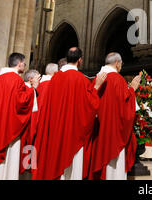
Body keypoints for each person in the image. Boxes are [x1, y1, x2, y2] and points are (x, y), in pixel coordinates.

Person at [32, 48, 106, 180]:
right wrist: (96, 86)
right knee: (72, 168)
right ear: (80, 60)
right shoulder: (82, 80)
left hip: (55, 130)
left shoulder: (55, 79)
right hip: (73, 132)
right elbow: (89, 106)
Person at [86, 53, 140, 180]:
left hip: (99, 130)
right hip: (115, 132)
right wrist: (132, 89)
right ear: (117, 63)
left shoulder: (97, 78)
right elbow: (126, 110)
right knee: (114, 169)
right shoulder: (118, 80)